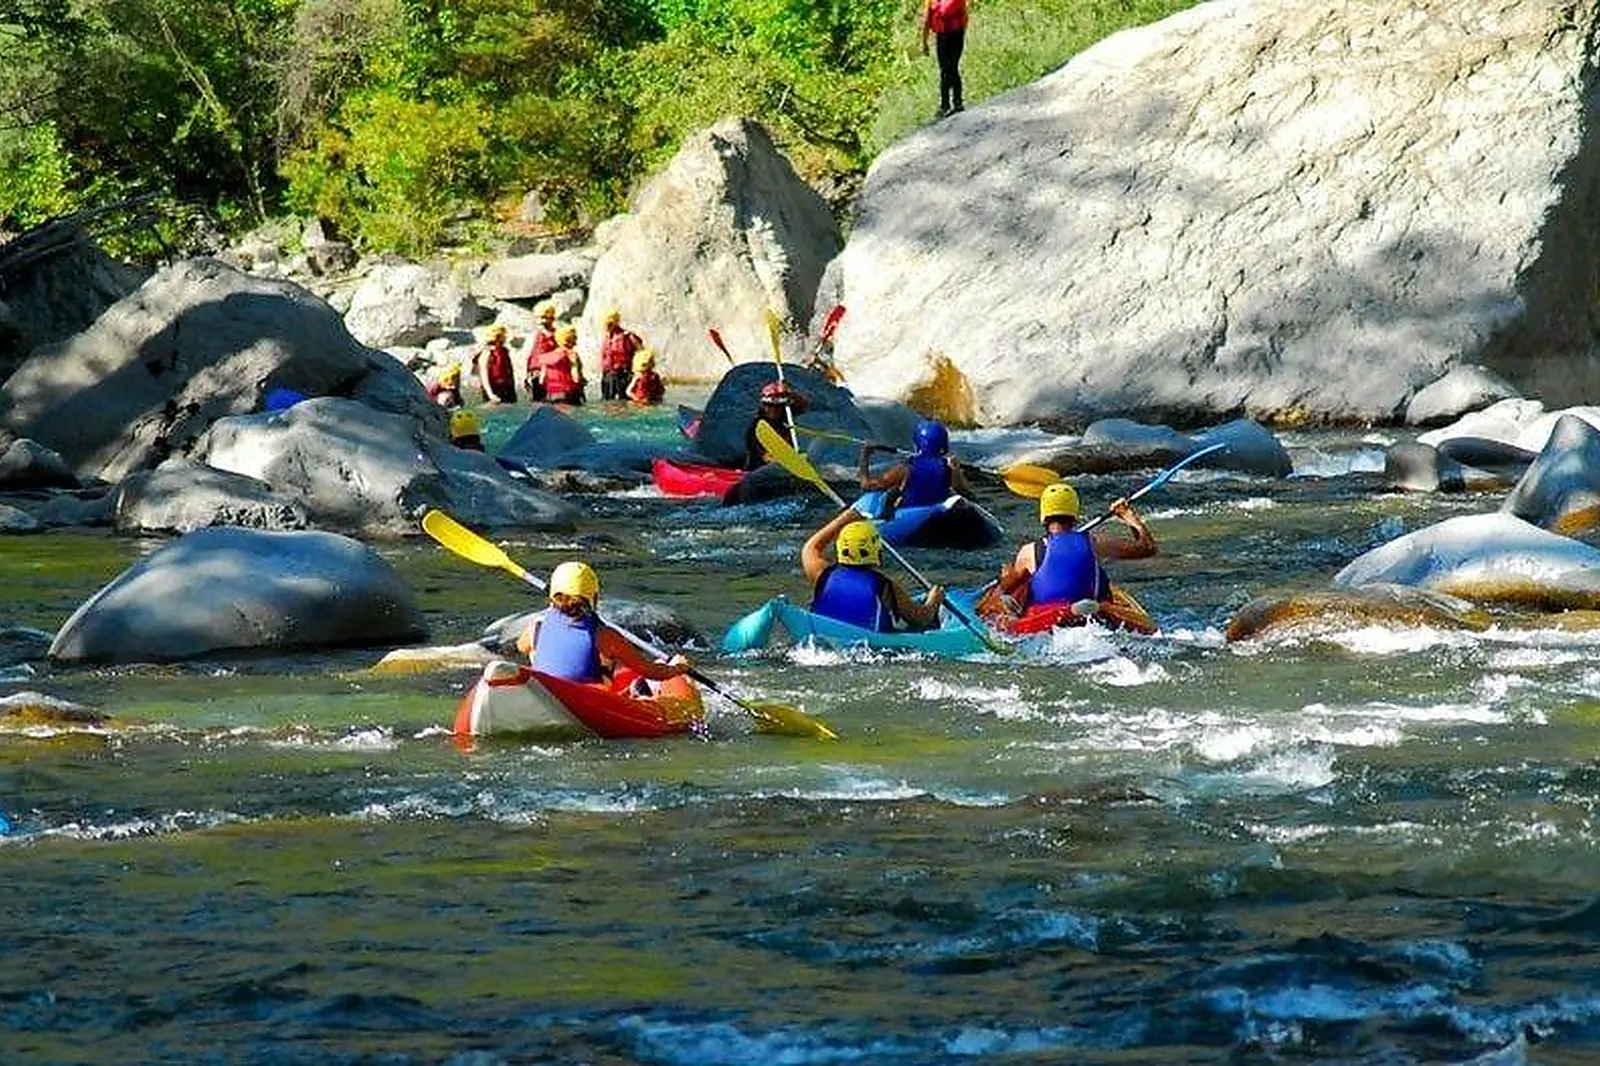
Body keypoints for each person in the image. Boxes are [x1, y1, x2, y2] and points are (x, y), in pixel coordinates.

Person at [982, 481, 1156, 618]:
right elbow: (1147, 548)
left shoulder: (1029, 552)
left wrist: (1005, 578)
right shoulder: (1095, 543)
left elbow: (1003, 588)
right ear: (1075, 517)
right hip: (1093, 615)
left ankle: (1012, 609)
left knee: (1012, 590)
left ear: (1043, 518)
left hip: (1046, 621)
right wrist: (1127, 515)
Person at [515, 561, 691, 685]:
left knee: (534, 649)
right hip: (589, 700)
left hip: (548, 690)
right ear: (594, 597)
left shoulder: (535, 628)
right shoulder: (604, 635)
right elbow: (652, 672)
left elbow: (521, 646)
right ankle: (639, 691)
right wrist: (679, 668)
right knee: (617, 664)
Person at [802, 508, 945, 632]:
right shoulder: (885, 586)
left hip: (822, 643)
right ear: (876, 549)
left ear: (840, 546)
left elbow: (811, 547)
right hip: (869, 649)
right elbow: (920, 619)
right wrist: (934, 600)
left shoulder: (821, 573)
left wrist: (845, 518)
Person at [859, 419, 973, 509]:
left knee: (881, 496)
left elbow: (866, 486)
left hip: (909, 512)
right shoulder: (950, 467)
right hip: (939, 511)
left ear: (917, 443)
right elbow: (967, 494)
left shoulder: (904, 469)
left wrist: (865, 455)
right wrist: (956, 470)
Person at [742, 380, 810, 470]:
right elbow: (767, 457)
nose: (773, 410)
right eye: (768, 405)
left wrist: (792, 395)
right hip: (764, 472)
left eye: (778, 406)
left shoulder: (789, 422)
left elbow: (805, 406)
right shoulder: (758, 427)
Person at [921, 0, 968, 118]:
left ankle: (945, 105)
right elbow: (964, 15)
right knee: (952, 68)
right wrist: (962, 31)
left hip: (944, 36)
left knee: (946, 69)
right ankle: (957, 103)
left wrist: (924, 42)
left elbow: (926, 21)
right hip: (956, 34)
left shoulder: (931, 1)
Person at [598, 309, 643, 402]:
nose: (607, 326)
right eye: (605, 324)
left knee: (623, 402)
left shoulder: (628, 336)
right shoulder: (606, 338)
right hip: (608, 375)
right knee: (607, 402)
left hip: (623, 374)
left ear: (615, 323)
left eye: (609, 324)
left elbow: (642, 354)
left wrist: (640, 372)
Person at [539, 324, 586, 405]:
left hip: (551, 394)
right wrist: (581, 383)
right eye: (574, 338)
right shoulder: (571, 354)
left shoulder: (548, 356)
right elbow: (576, 378)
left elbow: (541, 380)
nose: (576, 342)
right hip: (568, 393)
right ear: (569, 339)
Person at [523, 302, 558, 400]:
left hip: (548, 372)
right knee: (537, 399)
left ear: (551, 318)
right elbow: (531, 355)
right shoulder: (538, 334)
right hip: (536, 371)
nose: (542, 321)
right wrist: (527, 373)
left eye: (545, 318)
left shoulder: (556, 335)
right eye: (540, 318)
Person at [475, 324, 517, 404]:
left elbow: (509, 372)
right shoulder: (486, 353)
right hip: (494, 388)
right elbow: (484, 376)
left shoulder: (504, 351)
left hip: (506, 387)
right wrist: (490, 394)